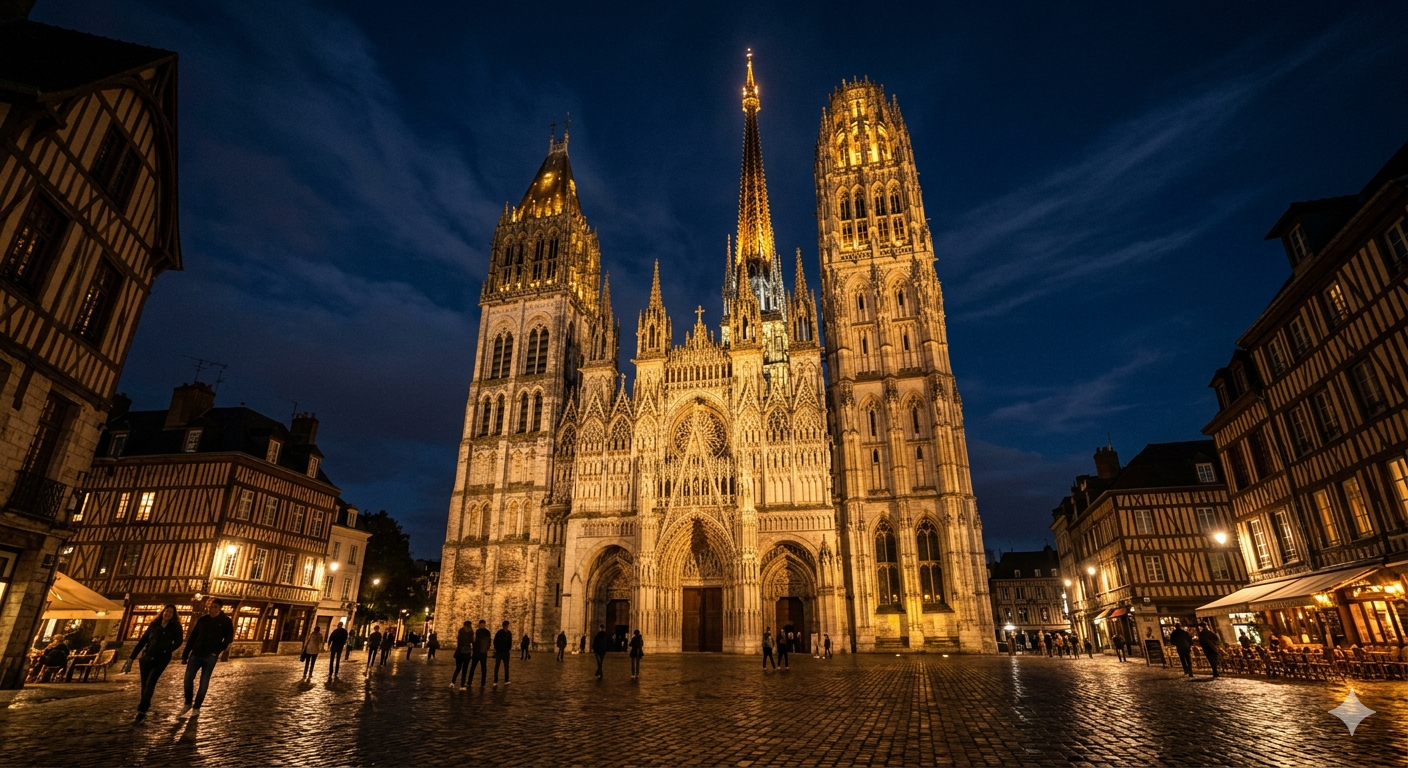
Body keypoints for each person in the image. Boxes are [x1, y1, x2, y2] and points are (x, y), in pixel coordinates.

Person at [130, 605, 184, 721]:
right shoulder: (154, 625)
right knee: (145, 684)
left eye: (170, 612)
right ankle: (144, 705)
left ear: (173, 615)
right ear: (162, 612)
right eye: (166, 611)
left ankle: (142, 709)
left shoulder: (176, 627)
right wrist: (131, 658)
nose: (167, 614)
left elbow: (179, 642)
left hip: (162, 658)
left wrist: (167, 649)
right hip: (147, 657)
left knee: (151, 681)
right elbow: (143, 641)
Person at [181, 598, 233, 714]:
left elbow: (229, 638)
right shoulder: (203, 620)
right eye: (211, 607)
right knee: (188, 679)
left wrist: (217, 650)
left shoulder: (226, 621)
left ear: (220, 608)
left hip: (210, 656)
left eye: (215, 607)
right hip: (196, 653)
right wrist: (186, 653)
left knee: (204, 682)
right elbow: (193, 637)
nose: (212, 609)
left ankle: (197, 707)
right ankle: (188, 702)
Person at [469, 620, 491, 686]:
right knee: (473, 667)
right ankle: (469, 681)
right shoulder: (477, 631)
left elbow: (489, 641)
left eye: (483, 624)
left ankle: (483, 682)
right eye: (481, 624)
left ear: (484, 624)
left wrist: (486, 648)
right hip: (476, 652)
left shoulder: (487, 632)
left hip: (483, 652)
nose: (482, 625)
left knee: (483, 668)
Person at [492, 621, 513, 685]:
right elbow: (495, 641)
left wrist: (508, 649)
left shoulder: (509, 633)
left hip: (506, 652)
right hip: (499, 652)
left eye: (507, 625)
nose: (506, 626)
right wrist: (497, 649)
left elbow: (510, 642)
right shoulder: (499, 632)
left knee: (506, 667)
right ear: (503, 625)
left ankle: (506, 680)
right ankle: (495, 681)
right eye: (505, 625)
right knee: (497, 666)